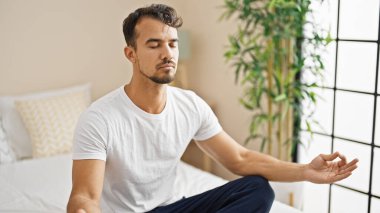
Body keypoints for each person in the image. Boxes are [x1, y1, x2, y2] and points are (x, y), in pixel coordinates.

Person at [67, 4, 358, 213]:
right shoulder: (100, 118)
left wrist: (306, 170)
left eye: (172, 44)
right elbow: (84, 199)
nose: (167, 53)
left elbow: (240, 159)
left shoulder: (190, 104)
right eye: (154, 45)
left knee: (257, 189)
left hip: (174, 208)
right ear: (131, 53)